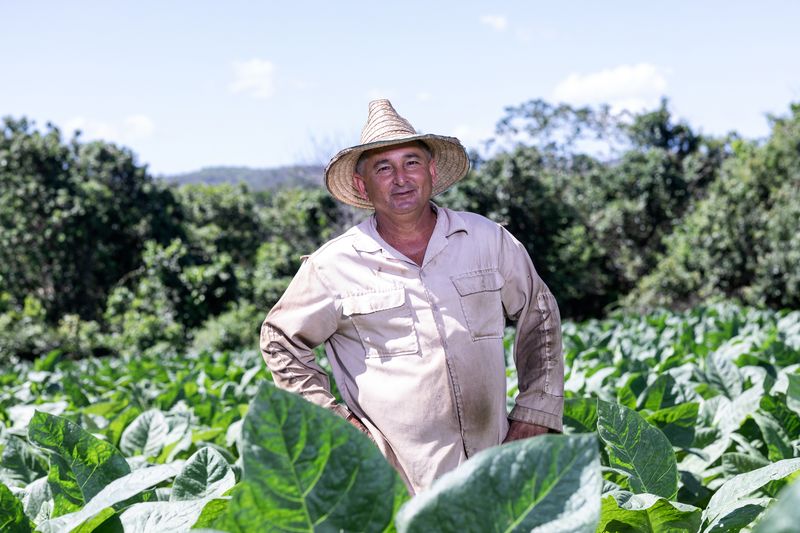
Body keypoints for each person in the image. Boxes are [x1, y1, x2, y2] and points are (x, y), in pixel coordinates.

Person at [260, 99, 564, 494]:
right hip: (395, 487)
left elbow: (539, 316)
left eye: (411, 162)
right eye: (383, 168)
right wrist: (339, 430)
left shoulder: (488, 240)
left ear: (432, 171)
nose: (400, 178)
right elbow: (280, 340)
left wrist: (534, 414)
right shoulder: (332, 265)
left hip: (498, 471)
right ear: (361, 184)